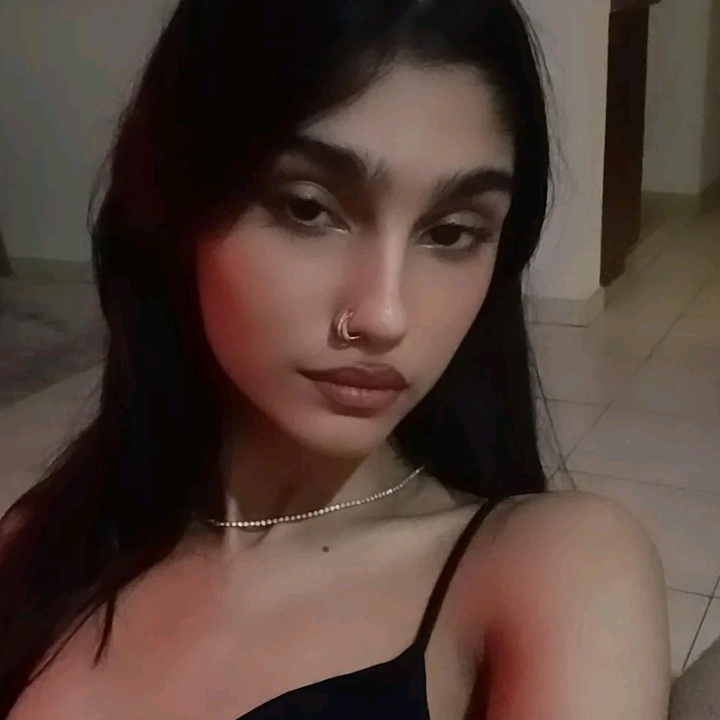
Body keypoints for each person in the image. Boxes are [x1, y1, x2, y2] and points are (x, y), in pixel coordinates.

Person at [0, 1, 670, 718]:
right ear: (175, 206)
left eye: (451, 232)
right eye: (308, 209)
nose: (384, 315)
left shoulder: (548, 569)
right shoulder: (42, 542)